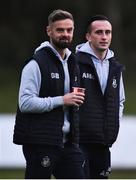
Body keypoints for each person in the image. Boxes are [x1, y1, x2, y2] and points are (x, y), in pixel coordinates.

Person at [13, 9, 85, 179]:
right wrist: (62, 100)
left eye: (69, 30)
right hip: (40, 142)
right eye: (60, 30)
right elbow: (25, 103)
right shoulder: (35, 63)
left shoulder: (73, 62)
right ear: (49, 31)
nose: (65, 34)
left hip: (68, 143)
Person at [76, 15, 125, 179]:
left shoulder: (115, 67)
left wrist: (112, 125)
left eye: (108, 32)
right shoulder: (74, 62)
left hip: (103, 141)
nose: (104, 37)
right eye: (99, 32)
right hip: (78, 141)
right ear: (88, 36)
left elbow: (120, 101)